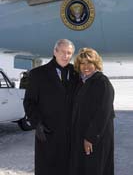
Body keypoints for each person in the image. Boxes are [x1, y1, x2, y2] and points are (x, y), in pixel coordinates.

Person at [23, 39, 78, 175]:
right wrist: (37, 124)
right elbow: (29, 102)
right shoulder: (37, 74)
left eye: (69, 53)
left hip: (71, 135)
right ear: (55, 52)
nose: (66, 56)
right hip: (48, 133)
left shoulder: (76, 73)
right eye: (63, 52)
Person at [70, 47, 115, 175]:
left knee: (95, 168)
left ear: (96, 64)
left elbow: (103, 113)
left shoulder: (102, 82)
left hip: (97, 137)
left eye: (90, 63)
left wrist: (90, 138)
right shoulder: (82, 82)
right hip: (83, 134)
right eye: (82, 63)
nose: (86, 67)